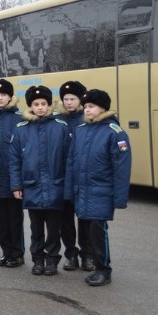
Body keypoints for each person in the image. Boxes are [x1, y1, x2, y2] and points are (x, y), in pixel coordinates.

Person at [64, 89, 131, 287]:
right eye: (85, 107)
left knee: (98, 231)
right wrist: (69, 191)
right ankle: (93, 263)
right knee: (86, 229)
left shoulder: (114, 132)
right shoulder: (81, 130)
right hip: (82, 192)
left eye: (91, 106)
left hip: (101, 192)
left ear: (103, 108)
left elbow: (121, 169)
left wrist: (119, 198)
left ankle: (103, 269)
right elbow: (71, 162)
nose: (87, 110)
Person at [9, 86, 69, 276]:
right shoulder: (21, 129)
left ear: (49, 105)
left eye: (44, 104)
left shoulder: (60, 127)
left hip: (55, 186)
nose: (40, 107)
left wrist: (67, 185)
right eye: (36, 104)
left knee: (53, 229)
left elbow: (69, 158)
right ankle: (37, 259)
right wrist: (16, 185)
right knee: (36, 229)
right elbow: (15, 160)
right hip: (32, 186)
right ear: (30, 106)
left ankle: (52, 260)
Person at [0, 78, 25, 268]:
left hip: (14, 176)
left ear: (10, 97)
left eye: (4, 95)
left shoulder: (20, 119)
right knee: (3, 218)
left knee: (15, 217)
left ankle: (17, 253)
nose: (0, 99)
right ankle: (6, 252)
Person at [57, 79, 92, 271]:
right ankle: (70, 253)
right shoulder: (58, 120)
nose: (69, 102)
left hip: (81, 178)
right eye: (66, 99)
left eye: (73, 98)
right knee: (65, 220)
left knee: (85, 218)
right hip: (62, 177)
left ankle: (87, 254)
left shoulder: (86, 121)